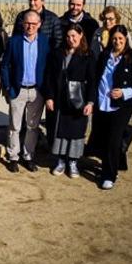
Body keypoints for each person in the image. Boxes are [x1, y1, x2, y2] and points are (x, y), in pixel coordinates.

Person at [92, 25, 132, 190]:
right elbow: (97, 76)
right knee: (103, 137)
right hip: (102, 103)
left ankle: (109, 174)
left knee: (113, 140)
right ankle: (115, 161)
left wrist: (124, 92)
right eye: (115, 39)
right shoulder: (104, 56)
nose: (117, 42)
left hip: (122, 105)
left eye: (120, 39)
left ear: (126, 39)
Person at [43, 24, 96, 179]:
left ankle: (73, 161)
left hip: (79, 99)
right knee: (60, 130)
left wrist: (90, 102)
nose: (71, 39)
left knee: (76, 131)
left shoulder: (88, 55)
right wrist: (49, 96)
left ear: (81, 36)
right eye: (68, 36)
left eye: (74, 36)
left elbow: (93, 80)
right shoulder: (58, 53)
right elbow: (50, 77)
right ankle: (60, 161)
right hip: (60, 99)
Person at [0, 10, 51, 173]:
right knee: (14, 126)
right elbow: (5, 64)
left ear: (39, 24)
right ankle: (13, 157)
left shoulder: (44, 42)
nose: (30, 26)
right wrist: (7, 86)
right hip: (18, 90)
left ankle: (28, 156)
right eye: (27, 23)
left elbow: (49, 66)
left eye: (34, 24)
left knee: (32, 126)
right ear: (23, 24)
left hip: (37, 91)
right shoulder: (14, 41)